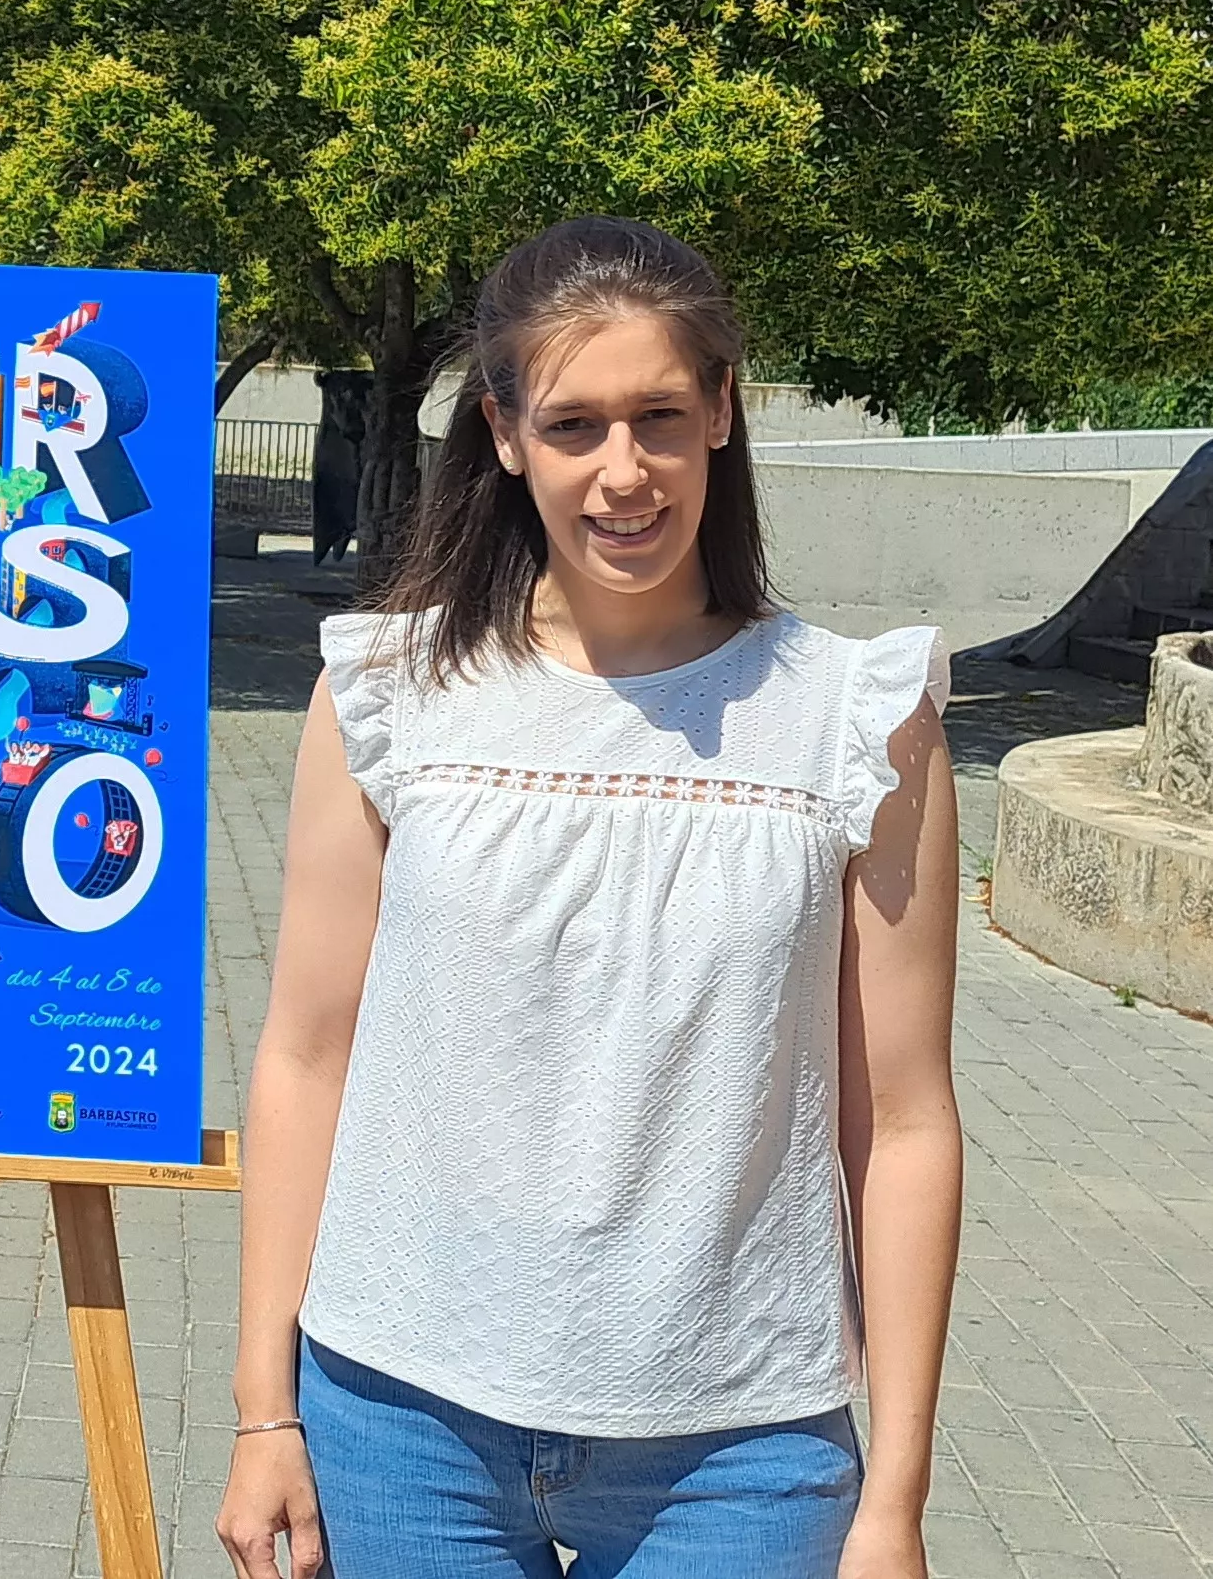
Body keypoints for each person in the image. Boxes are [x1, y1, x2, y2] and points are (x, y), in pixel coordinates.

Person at [218, 219, 962, 1579]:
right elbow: (302, 1057)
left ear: (721, 412)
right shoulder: (385, 698)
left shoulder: (859, 721)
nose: (621, 473)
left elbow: (902, 1122)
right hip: (398, 1420)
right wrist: (262, 1409)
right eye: (572, 426)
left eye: (658, 419)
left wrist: (893, 1502)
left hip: (739, 1449)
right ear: (504, 434)